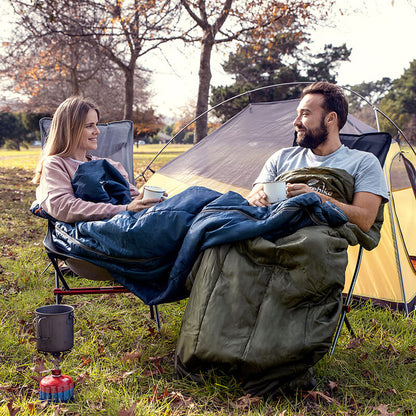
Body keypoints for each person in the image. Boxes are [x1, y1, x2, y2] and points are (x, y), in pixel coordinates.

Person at [247, 81, 389, 233]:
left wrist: (316, 198)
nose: (296, 122)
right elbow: (251, 198)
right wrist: (256, 199)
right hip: (268, 231)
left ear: (330, 119)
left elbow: (365, 220)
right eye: (297, 114)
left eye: (305, 114)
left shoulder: (363, 162)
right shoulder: (281, 158)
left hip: (314, 242)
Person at [33, 96, 165, 223]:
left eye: (96, 124)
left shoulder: (109, 165)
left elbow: (132, 199)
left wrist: (147, 201)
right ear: (70, 130)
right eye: (89, 126)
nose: (97, 131)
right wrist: (123, 209)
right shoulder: (56, 164)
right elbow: (64, 207)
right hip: (104, 232)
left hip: (129, 222)